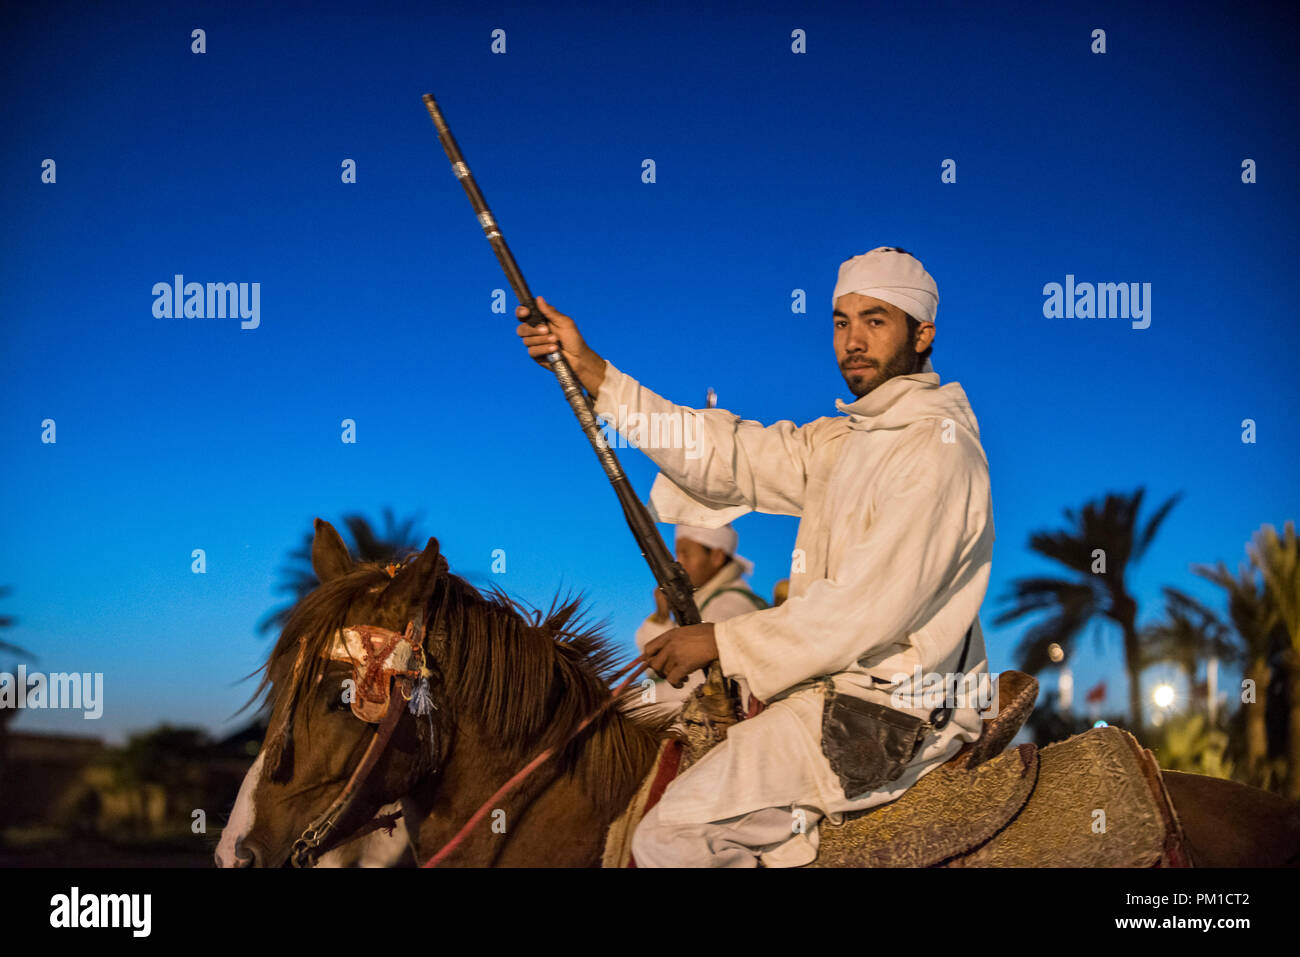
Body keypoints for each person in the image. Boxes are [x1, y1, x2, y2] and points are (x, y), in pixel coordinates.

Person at [515, 247, 993, 867]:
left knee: (671, 836)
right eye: (841, 321)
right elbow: (727, 453)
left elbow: (860, 610)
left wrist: (720, 642)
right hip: (833, 691)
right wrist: (594, 372)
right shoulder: (845, 441)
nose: (852, 339)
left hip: (890, 711)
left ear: (922, 334)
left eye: (875, 321)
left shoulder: (936, 450)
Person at [633, 523, 766, 718]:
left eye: (686, 554)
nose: (678, 564)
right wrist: (661, 618)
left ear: (716, 557)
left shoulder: (730, 604)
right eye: (677, 555)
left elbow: (697, 687)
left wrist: (633, 702)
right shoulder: (706, 601)